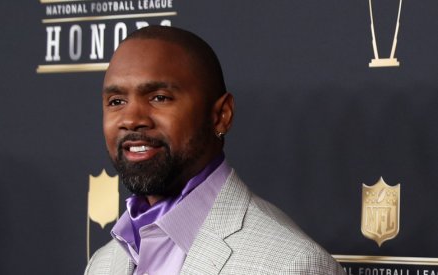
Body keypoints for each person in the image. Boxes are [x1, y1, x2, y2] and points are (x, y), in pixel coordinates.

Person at [85, 25, 346, 275]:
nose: (131, 119)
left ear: (221, 115)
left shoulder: (292, 266)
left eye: (159, 98)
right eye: (116, 101)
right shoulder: (104, 263)